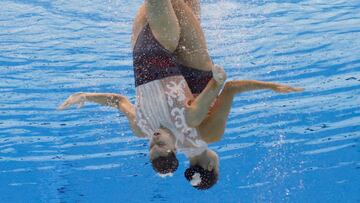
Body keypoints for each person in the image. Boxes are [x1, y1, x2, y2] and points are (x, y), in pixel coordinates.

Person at [59, 0, 303, 190]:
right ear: (174, 149)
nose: (154, 138)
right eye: (160, 143)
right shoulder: (189, 126)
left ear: (211, 165)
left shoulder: (185, 132)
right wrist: (223, 82)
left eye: (151, 145)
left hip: (174, 62)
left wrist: (86, 96)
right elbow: (221, 89)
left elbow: (120, 101)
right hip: (169, 57)